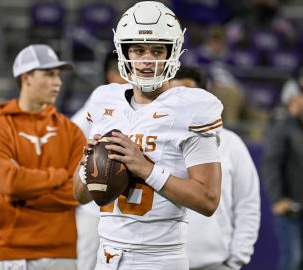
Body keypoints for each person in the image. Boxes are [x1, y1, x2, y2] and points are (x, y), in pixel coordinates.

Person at [73, 2, 224, 269]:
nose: (146, 60)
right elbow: (81, 196)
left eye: (157, 50)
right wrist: (88, 166)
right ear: (124, 52)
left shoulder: (192, 107)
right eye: (138, 50)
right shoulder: (105, 100)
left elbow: (208, 200)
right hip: (106, 256)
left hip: (159, 258)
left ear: (173, 52)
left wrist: (145, 168)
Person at [0, 44, 86, 270]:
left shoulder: (72, 132)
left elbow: (78, 192)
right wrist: (58, 176)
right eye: (49, 74)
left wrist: (22, 191)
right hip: (8, 254)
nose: (57, 82)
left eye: (58, 75)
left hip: (61, 252)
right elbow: (9, 182)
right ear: (26, 78)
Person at [170, 66, 261, 270]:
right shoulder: (155, 143)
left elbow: (248, 204)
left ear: (202, 98)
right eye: (173, 95)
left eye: (187, 95)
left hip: (214, 264)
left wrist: (235, 260)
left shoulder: (231, 143)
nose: (179, 103)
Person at [261, 75, 303, 270]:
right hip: (291, 210)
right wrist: (278, 199)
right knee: (292, 261)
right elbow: (270, 165)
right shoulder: (281, 128)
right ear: (293, 99)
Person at [71, 51, 127, 270]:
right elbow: (71, 133)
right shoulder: (103, 98)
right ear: (112, 75)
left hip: (125, 211)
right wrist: (88, 160)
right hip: (95, 208)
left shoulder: (145, 105)